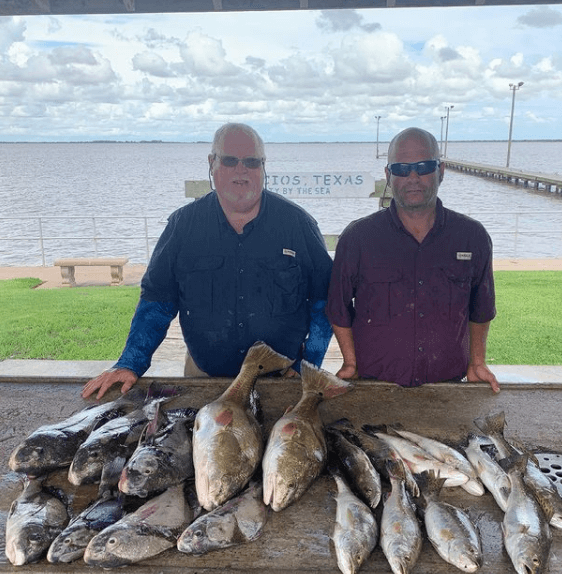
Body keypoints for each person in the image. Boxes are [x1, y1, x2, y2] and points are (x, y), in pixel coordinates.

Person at [83, 123, 333, 399]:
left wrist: (308, 364)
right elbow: (157, 302)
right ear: (212, 163)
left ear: (263, 166)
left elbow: (325, 303)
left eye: (251, 162)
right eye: (230, 160)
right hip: (204, 380)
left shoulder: (297, 224)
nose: (241, 170)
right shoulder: (183, 225)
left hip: (283, 380)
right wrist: (131, 362)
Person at [326, 127, 499, 393]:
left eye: (424, 166)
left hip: (449, 387)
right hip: (374, 385)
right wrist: (350, 362)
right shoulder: (358, 238)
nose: (413, 177)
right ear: (388, 175)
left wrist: (477, 362)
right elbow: (338, 308)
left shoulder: (472, 237)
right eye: (402, 169)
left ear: (440, 171)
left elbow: (482, 308)